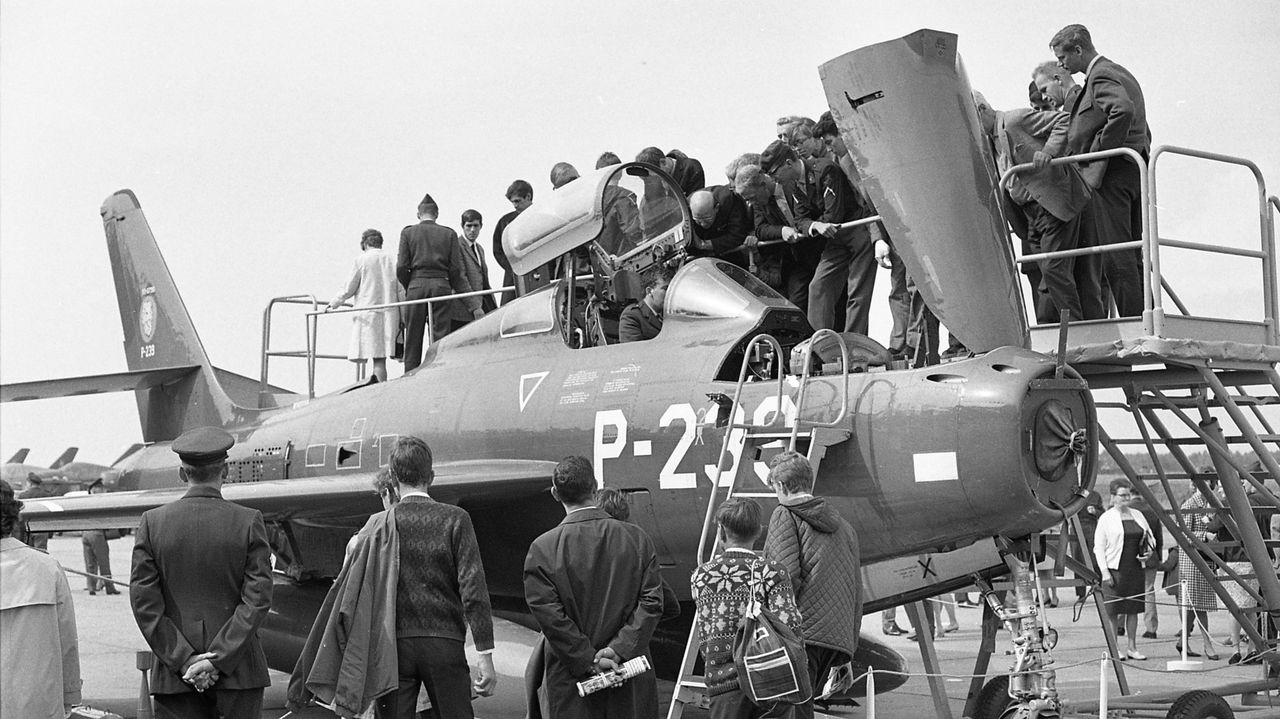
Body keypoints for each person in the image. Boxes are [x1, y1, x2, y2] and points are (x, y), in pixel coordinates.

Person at [130, 426, 274, 717]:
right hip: (240, 673)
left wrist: (184, 659)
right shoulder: (249, 522)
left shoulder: (151, 523)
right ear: (226, 470)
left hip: (175, 678)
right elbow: (257, 599)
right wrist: (218, 659)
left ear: (183, 474)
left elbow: (144, 603)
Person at [523, 456, 664, 719]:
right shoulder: (637, 540)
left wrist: (590, 660)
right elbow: (652, 603)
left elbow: (550, 618)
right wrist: (618, 650)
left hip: (570, 685)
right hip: (629, 678)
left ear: (555, 494)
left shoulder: (542, 549)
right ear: (595, 487)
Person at [371, 437, 497, 718]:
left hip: (394, 647)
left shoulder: (380, 524)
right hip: (445, 643)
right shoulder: (456, 519)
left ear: (392, 478)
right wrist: (485, 654)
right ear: (431, 476)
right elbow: (473, 590)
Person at [1043, 24, 1151, 318]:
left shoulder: (1100, 74)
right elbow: (1139, 123)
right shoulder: (1119, 71)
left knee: (1117, 254)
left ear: (1078, 50)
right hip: (1130, 169)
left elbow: (1123, 111)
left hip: (1113, 172)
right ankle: (1144, 314)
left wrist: (1100, 152)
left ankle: (1133, 321)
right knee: (1131, 251)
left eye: (1063, 57)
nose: (1061, 65)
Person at [974, 91, 1102, 324]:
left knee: (1054, 269)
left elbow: (1063, 120)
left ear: (981, 110)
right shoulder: (988, 141)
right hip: (1029, 214)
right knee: (1043, 274)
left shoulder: (1014, 120)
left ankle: (1074, 327)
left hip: (1050, 204)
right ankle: (1052, 328)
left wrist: (1049, 152)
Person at [763, 451, 861, 719]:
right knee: (803, 709)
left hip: (801, 634)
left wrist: (764, 628)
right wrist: (848, 650)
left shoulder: (785, 515)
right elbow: (856, 591)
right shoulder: (845, 527)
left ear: (781, 486)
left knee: (789, 712)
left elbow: (783, 578)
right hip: (836, 638)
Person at [691, 498, 802, 719]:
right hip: (772, 684)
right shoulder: (774, 572)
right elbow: (791, 628)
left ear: (721, 531)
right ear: (759, 531)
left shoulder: (701, 576)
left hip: (725, 686)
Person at [760, 137, 878, 336]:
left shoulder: (825, 170)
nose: (773, 179)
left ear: (788, 163)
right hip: (833, 238)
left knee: (857, 290)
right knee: (818, 287)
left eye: (773, 173)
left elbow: (834, 213)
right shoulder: (791, 184)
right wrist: (816, 225)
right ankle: (820, 342)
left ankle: (854, 342)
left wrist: (815, 224)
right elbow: (800, 220)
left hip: (855, 231)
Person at [812, 111, 907, 356]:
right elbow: (865, 202)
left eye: (831, 141)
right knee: (899, 288)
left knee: (905, 286)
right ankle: (899, 345)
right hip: (883, 227)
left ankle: (906, 344)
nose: (829, 148)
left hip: (904, 222)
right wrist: (878, 237)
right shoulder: (844, 162)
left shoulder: (871, 155)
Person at [1, 481, 82, 719]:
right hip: (38, 703)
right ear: (14, 518)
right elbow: (67, 640)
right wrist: (70, 694)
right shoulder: (47, 567)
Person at [397, 194, 482, 372]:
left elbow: (402, 267)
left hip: (416, 286)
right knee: (440, 335)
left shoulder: (407, 232)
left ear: (418, 214)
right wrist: (474, 306)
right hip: (441, 286)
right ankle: (438, 371)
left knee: (413, 334)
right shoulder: (448, 234)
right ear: (437, 214)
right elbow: (456, 272)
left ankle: (410, 372)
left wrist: (410, 285)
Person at [734, 164, 818, 308]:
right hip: (796, 259)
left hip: (818, 247)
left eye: (752, 197)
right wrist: (782, 231)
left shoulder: (791, 184)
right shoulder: (758, 203)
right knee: (795, 303)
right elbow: (760, 229)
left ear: (763, 184)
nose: (750, 203)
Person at [329, 228, 402, 382]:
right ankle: (381, 386)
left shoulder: (361, 260)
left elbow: (349, 288)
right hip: (389, 313)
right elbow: (400, 289)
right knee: (380, 358)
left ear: (364, 244)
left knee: (373, 355)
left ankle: (375, 389)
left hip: (368, 313)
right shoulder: (391, 259)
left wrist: (334, 303)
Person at [1093, 478, 1154, 660]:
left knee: (1133, 609)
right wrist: (1104, 572)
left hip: (1135, 568)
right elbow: (1099, 547)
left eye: (1128, 494)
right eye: (1122, 495)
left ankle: (1132, 647)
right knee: (1113, 611)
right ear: (1113, 497)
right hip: (1114, 570)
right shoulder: (1106, 518)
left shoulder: (1137, 514)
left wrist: (1148, 553)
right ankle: (1114, 648)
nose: (1126, 498)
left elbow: (1149, 537)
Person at [1174, 470, 1220, 659]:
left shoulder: (1213, 503)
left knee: (1197, 604)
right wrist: (1204, 536)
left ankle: (1183, 641)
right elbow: (1181, 534)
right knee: (1197, 604)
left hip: (1208, 558)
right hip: (1192, 561)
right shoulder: (1190, 504)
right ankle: (1207, 644)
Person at [451, 209, 497, 332]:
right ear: (462, 226)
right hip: (463, 310)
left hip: (482, 305)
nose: (472, 230)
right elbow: (461, 278)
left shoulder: (480, 248)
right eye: (469, 226)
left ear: (481, 226)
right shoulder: (457, 245)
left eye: (476, 226)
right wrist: (475, 307)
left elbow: (483, 280)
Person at [689, 186, 753, 267]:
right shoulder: (685, 209)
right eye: (698, 220)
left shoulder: (729, 200)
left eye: (707, 219)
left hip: (731, 252)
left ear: (717, 208)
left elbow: (738, 235)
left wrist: (705, 245)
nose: (703, 224)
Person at [493, 180, 534, 305]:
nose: (515, 205)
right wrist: (513, 268)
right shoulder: (505, 222)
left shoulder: (542, 217)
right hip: (513, 277)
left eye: (517, 201)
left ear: (528, 197)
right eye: (512, 202)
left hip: (539, 274)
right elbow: (497, 250)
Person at [81, 478, 121, 596]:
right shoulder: (99, 501)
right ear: (95, 489)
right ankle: (109, 587)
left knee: (89, 563)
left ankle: (91, 587)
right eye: (101, 488)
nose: (103, 490)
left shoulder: (84, 501)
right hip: (97, 534)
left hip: (85, 533)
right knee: (103, 562)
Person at [618, 270, 670, 343]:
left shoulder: (668, 316)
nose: (670, 293)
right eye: (665, 289)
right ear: (649, 291)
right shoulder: (632, 316)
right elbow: (631, 351)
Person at [635, 146, 705, 195]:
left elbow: (695, 204)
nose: (652, 181)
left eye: (654, 177)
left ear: (663, 163)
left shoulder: (691, 168)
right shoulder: (651, 177)